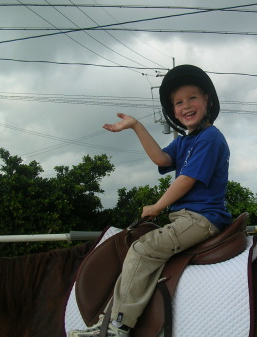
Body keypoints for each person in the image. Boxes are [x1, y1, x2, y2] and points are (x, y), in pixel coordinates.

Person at [69, 65, 232, 337]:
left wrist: (157, 206)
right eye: (178, 102)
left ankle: (117, 326)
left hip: (201, 218)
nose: (186, 106)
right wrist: (135, 125)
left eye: (192, 98)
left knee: (143, 250)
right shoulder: (185, 141)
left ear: (207, 100)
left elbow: (186, 180)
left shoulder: (210, 138)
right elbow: (162, 159)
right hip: (185, 218)